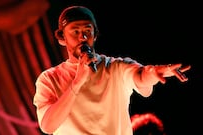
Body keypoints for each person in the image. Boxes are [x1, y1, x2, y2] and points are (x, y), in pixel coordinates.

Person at [33, 5, 191, 135]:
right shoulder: (49, 79)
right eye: (75, 32)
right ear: (62, 38)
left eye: (88, 31)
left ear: (95, 36)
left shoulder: (115, 67)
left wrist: (154, 72)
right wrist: (77, 82)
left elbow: (140, 75)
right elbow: (48, 126)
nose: (83, 37)